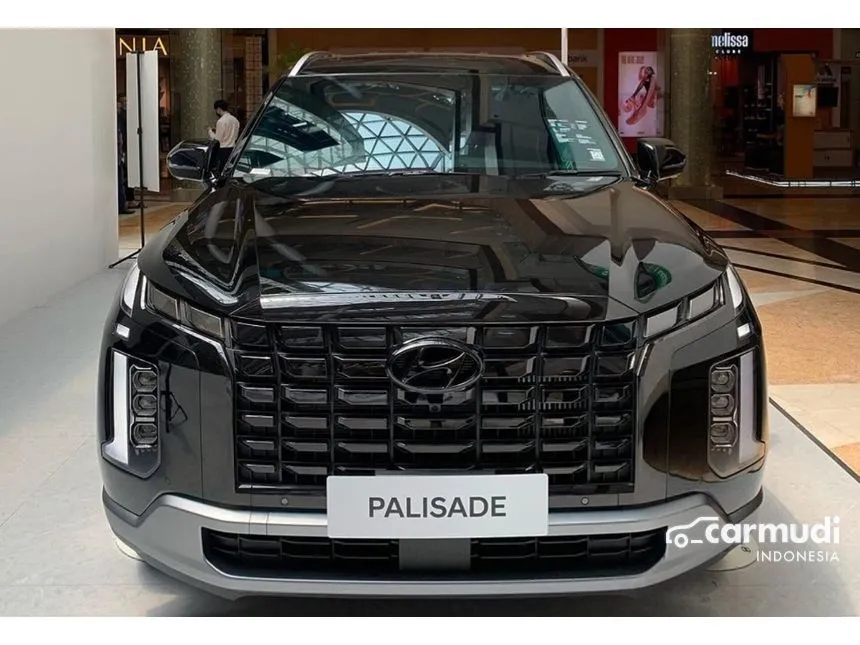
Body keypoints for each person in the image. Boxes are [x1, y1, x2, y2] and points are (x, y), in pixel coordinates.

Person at [208, 99, 240, 174]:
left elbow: (217, 139)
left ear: (219, 109)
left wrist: (210, 131)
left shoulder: (221, 121)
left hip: (223, 150)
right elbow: (235, 136)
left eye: (216, 110)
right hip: (233, 149)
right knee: (230, 172)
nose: (216, 112)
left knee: (221, 172)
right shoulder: (235, 120)